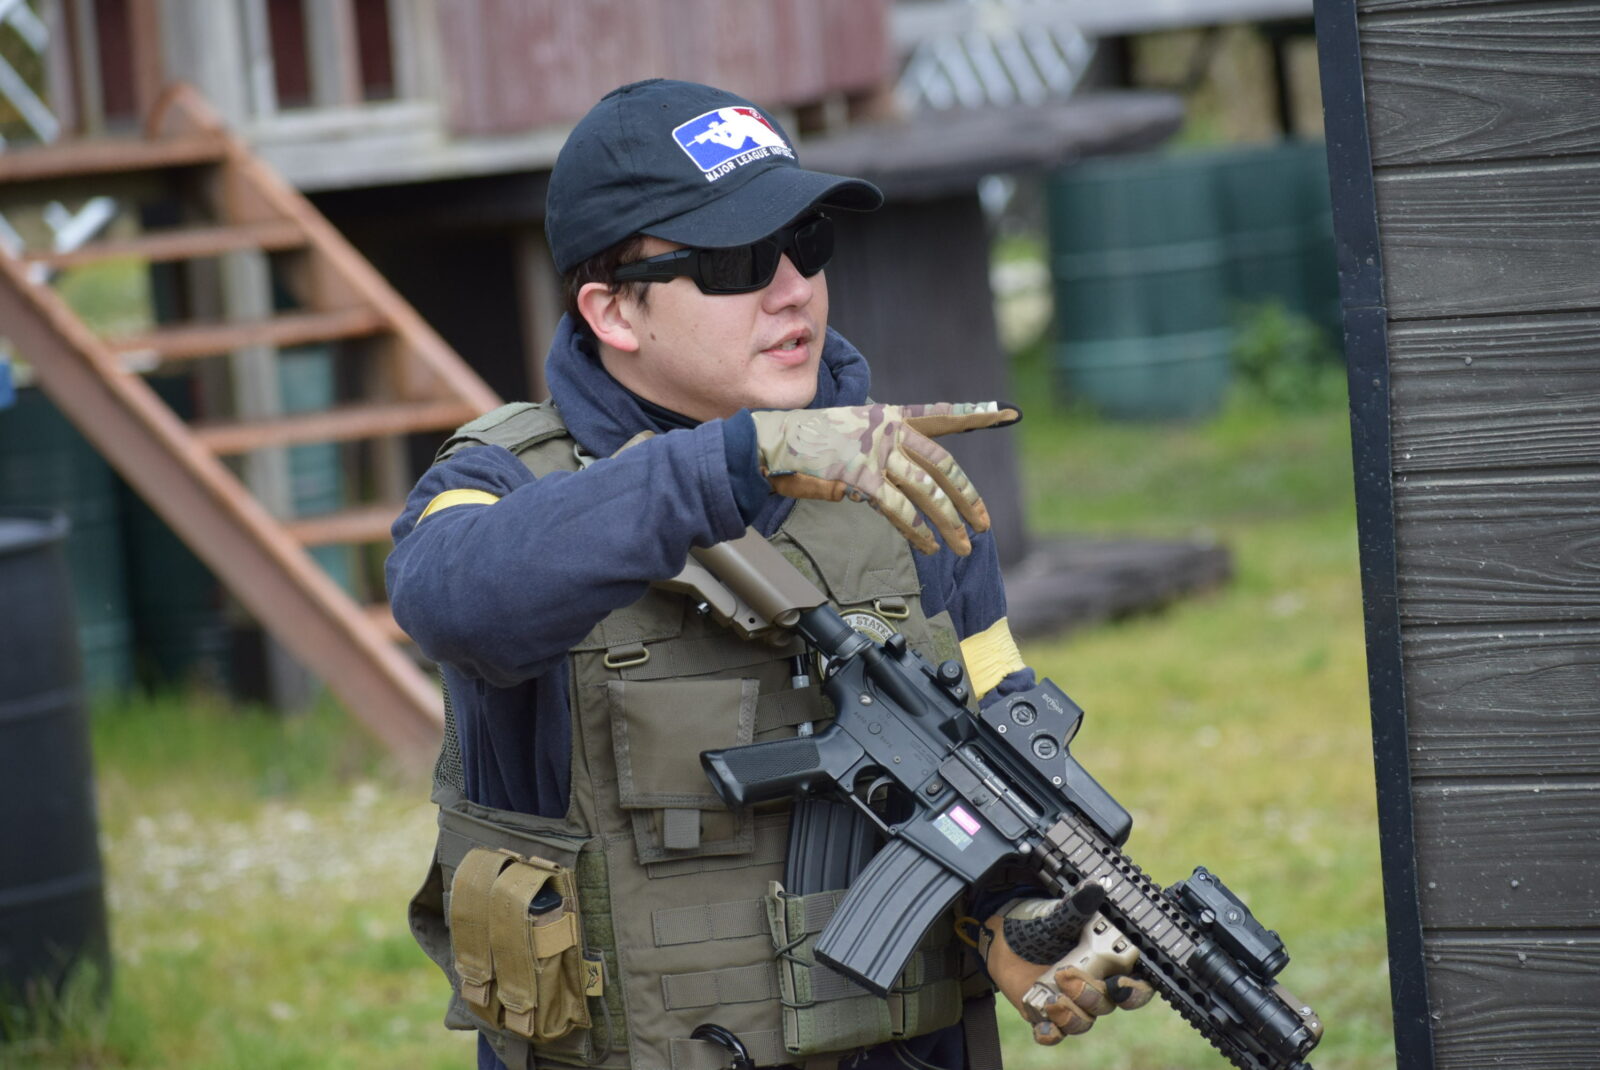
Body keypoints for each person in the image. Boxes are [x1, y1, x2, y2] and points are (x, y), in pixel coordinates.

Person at [389, 79, 1149, 1070]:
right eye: (737, 261)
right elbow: (453, 601)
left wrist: (1016, 917)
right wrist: (735, 461)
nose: (793, 289)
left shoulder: (906, 486)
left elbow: (983, 757)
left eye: (807, 242)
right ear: (612, 310)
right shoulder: (502, 483)